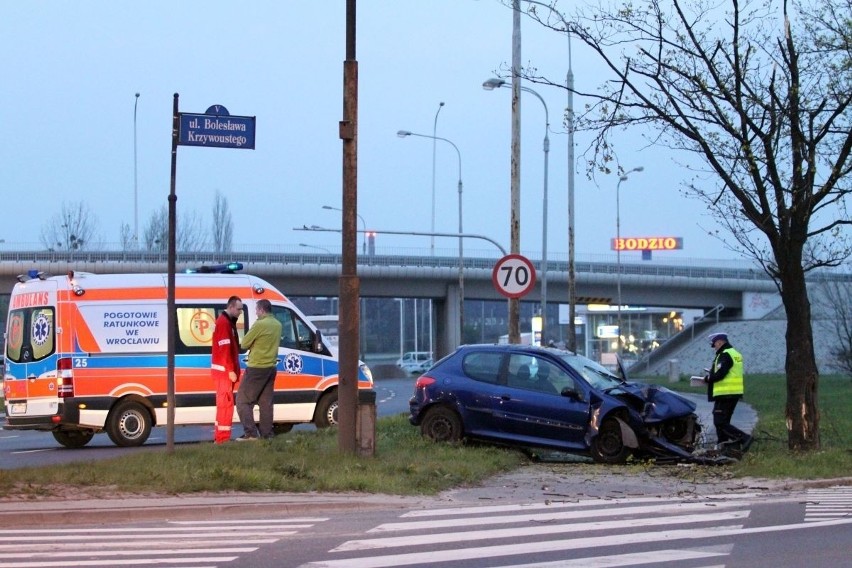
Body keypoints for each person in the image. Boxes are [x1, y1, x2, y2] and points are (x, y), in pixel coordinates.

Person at [236, 299, 282, 441]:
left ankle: (250, 433)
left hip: (256, 368)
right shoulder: (277, 325)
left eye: (256, 310)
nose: (255, 313)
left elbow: (244, 343)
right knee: (265, 403)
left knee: (242, 401)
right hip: (270, 368)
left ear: (262, 310)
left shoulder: (260, 324)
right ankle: (267, 435)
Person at [704, 332, 752, 455]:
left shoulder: (725, 354)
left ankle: (744, 438)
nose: (714, 347)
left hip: (725, 393)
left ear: (720, 342)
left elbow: (721, 374)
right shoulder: (734, 353)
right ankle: (724, 447)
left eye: (714, 345)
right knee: (723, 422)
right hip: (733, 392)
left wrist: (708, 378)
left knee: (719, 422)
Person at [211, 295, 243, 444]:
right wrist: (230, 370)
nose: (240, 312)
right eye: (239, 309)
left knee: (223, 405)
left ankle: (219, 437)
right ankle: (223, 439)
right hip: (224, 373)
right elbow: (225, 349)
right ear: (230, 307)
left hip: (222, 373)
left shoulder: (225, 322)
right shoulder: (225, 323)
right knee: (226, 406)